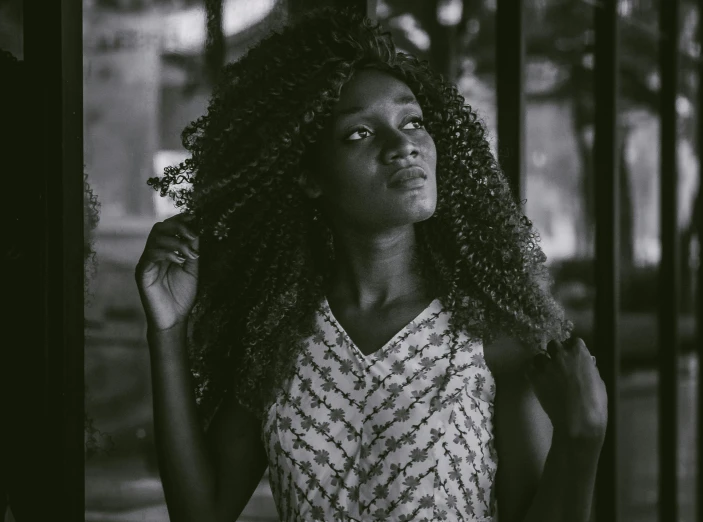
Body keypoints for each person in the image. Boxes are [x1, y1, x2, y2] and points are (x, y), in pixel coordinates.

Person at [136, 8, 608, 522]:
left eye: (412, 122)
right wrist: (167, 329)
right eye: (360, 133)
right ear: (309, 177)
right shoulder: (277, 337)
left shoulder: (492, 337)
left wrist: (582, 439)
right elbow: (199, 512)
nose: (403, 145)